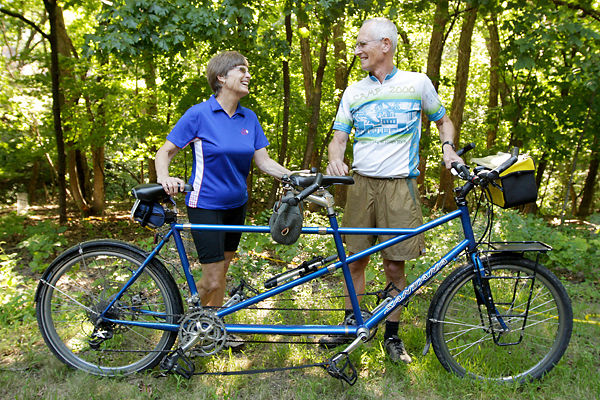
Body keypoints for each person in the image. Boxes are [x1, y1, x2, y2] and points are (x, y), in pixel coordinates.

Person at [325, 17, 463, 363]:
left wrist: (448, 147)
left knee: (394, 266)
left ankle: (392, 335)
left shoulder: (417, 84)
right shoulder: (354, 90)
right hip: (360, 186)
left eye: (362, 44)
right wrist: (335, 160)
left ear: (385, 44)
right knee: (354, 261)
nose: (357, 51)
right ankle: (349, 327)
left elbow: (443, 120)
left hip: (400, 187)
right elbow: (338, 138)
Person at [155, 51, 290, 328]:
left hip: (236, 206)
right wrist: (164, 178)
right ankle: (185, 321)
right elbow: (165, 152)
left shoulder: (248, 118)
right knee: (213, 278)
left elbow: (263, 162)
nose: (248, 75)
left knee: (222, 273)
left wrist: (295, 177)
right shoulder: (199, 115)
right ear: (221, 77)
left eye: (247, 69)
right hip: (205, 205)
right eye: (241, 70)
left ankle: (209, 328)